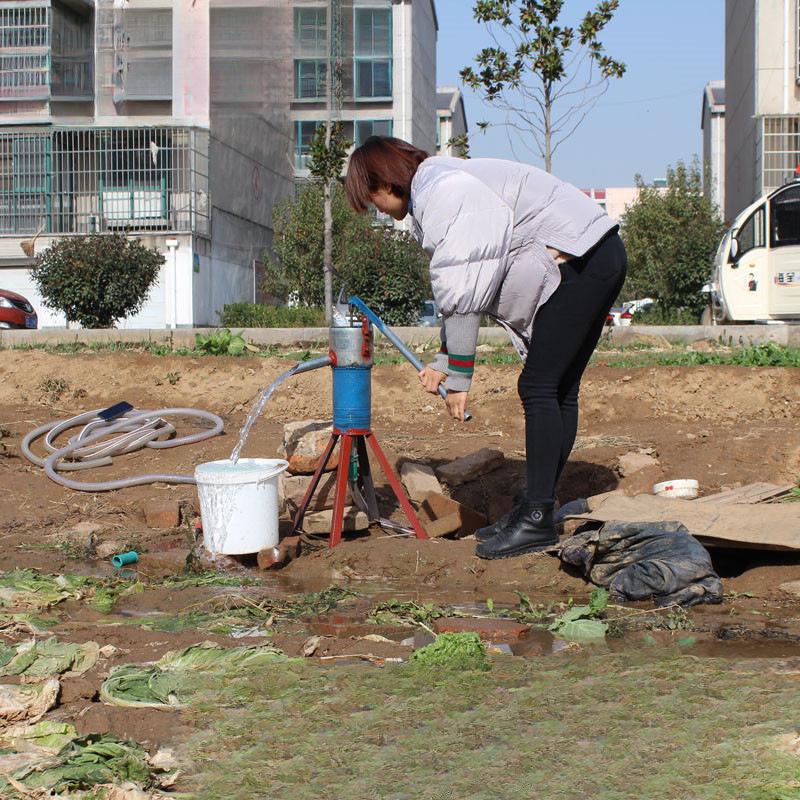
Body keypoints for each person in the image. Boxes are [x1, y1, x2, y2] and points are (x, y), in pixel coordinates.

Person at [344, 137, 627, 560]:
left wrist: (459, 375)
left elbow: (463, 278)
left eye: (372, 200)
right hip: (594, 254)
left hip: (583, 260)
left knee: (540, 387)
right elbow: (464, 283)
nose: (378, 211)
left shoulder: (442, 191)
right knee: (557, 388)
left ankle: (535, 518)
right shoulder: (439, 186)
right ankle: (538, 510)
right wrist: (445, 360)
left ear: (386, 181)